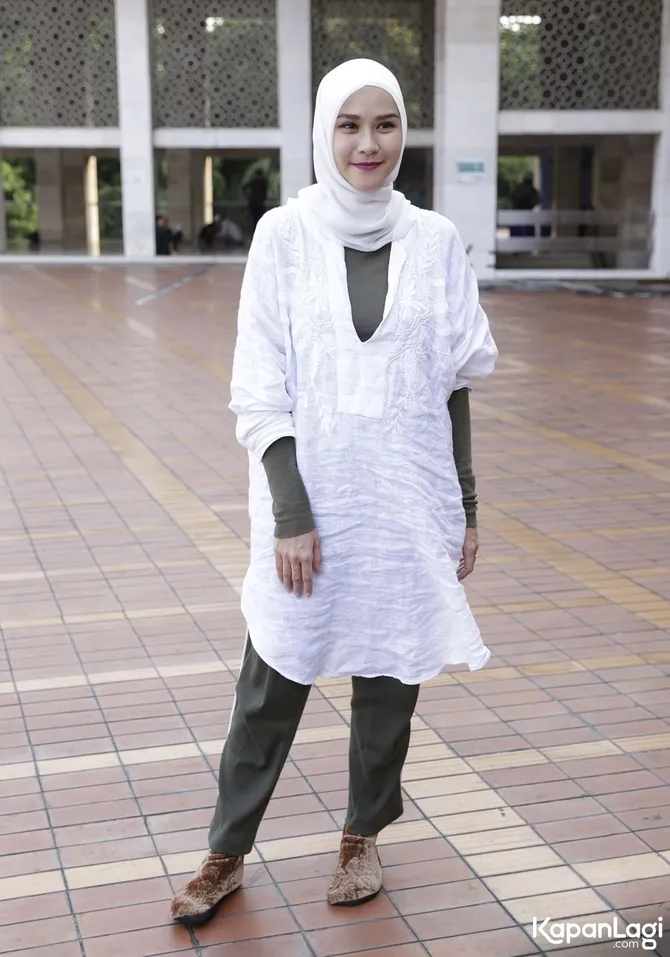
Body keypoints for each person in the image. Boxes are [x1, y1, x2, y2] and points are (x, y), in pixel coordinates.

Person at [170, 58, 497, 927]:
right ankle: (226, 849)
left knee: (390, 676)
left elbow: (454, 383)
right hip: (309, 504)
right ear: (324, 132)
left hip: (407, 498)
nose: (367, 143)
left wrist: (464, 506)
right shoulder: (283, 235)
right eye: (349, 125)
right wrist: (292, 512)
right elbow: (258, 388)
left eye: (385, 124)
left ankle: (363, 834)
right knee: (272, 677)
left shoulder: (436, 241)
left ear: (404, 134)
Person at [244, 167, 268, 233]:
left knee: (260, 219)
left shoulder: (262, 183)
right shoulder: (254, 183)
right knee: (255, 220)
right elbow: (245, 187)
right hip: (255, 203)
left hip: (259, 203)